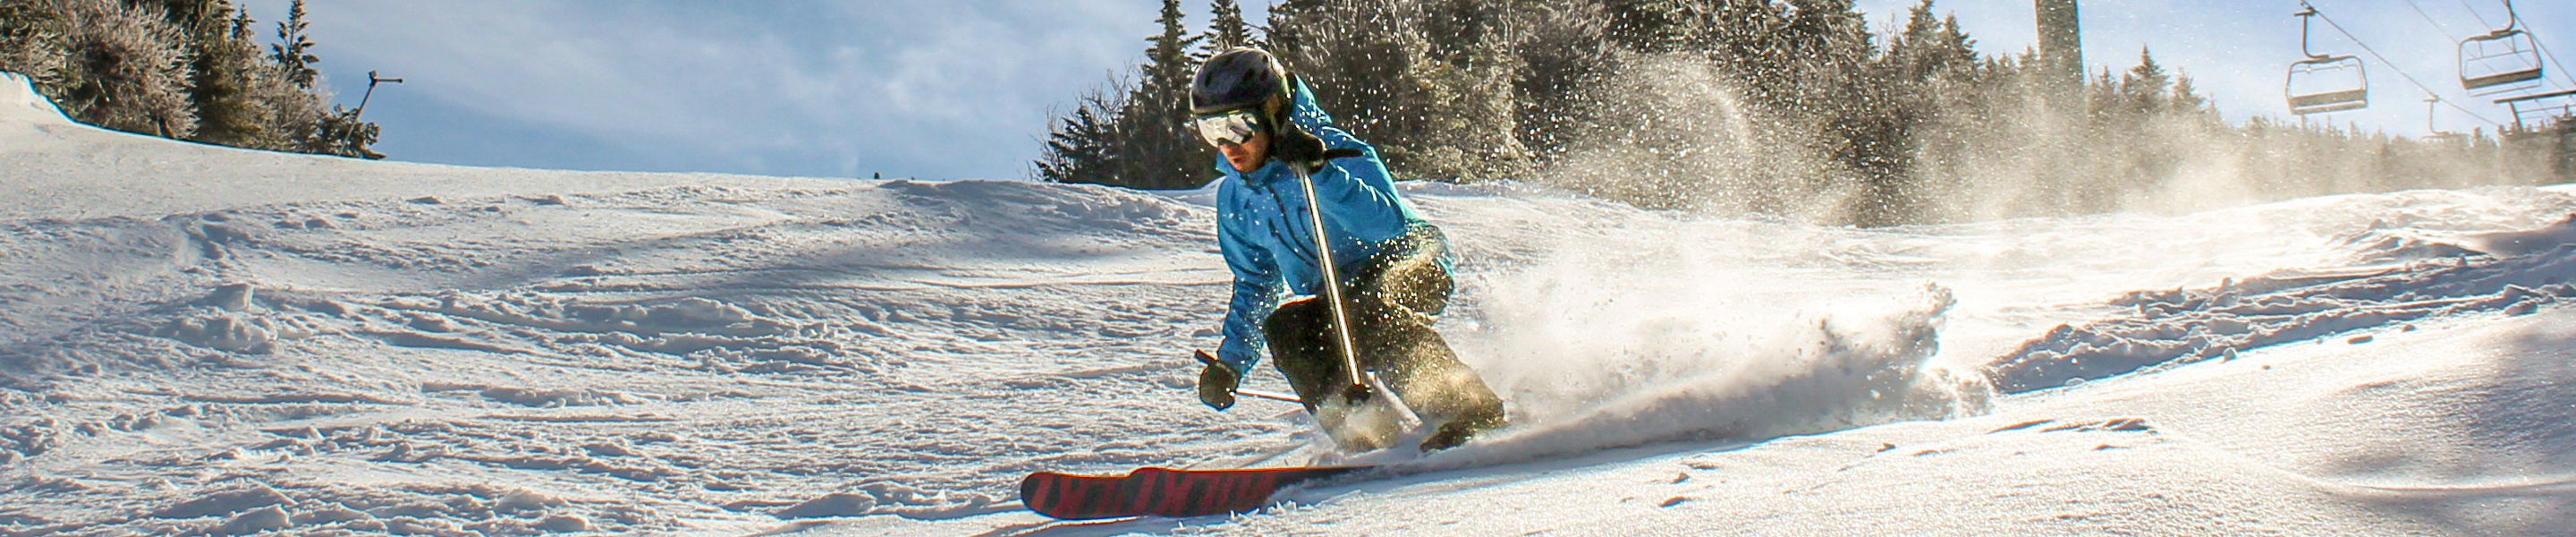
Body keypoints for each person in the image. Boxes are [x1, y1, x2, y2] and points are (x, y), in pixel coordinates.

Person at [1184, 47, 1506, 452]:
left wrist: (1321, 171)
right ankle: (1370, 437)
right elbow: (1256, 284)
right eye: (1212, 130)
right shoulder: (1237, 199)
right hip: (1339, 291)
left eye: (1240, 125)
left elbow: (1385, 224)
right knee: (1288, 329)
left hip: (1410, 259)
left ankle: (1468, 410)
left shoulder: (1334, 150)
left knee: (1366, 311)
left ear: (1273, 112)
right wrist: (1230, 363)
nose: (1229, 144)